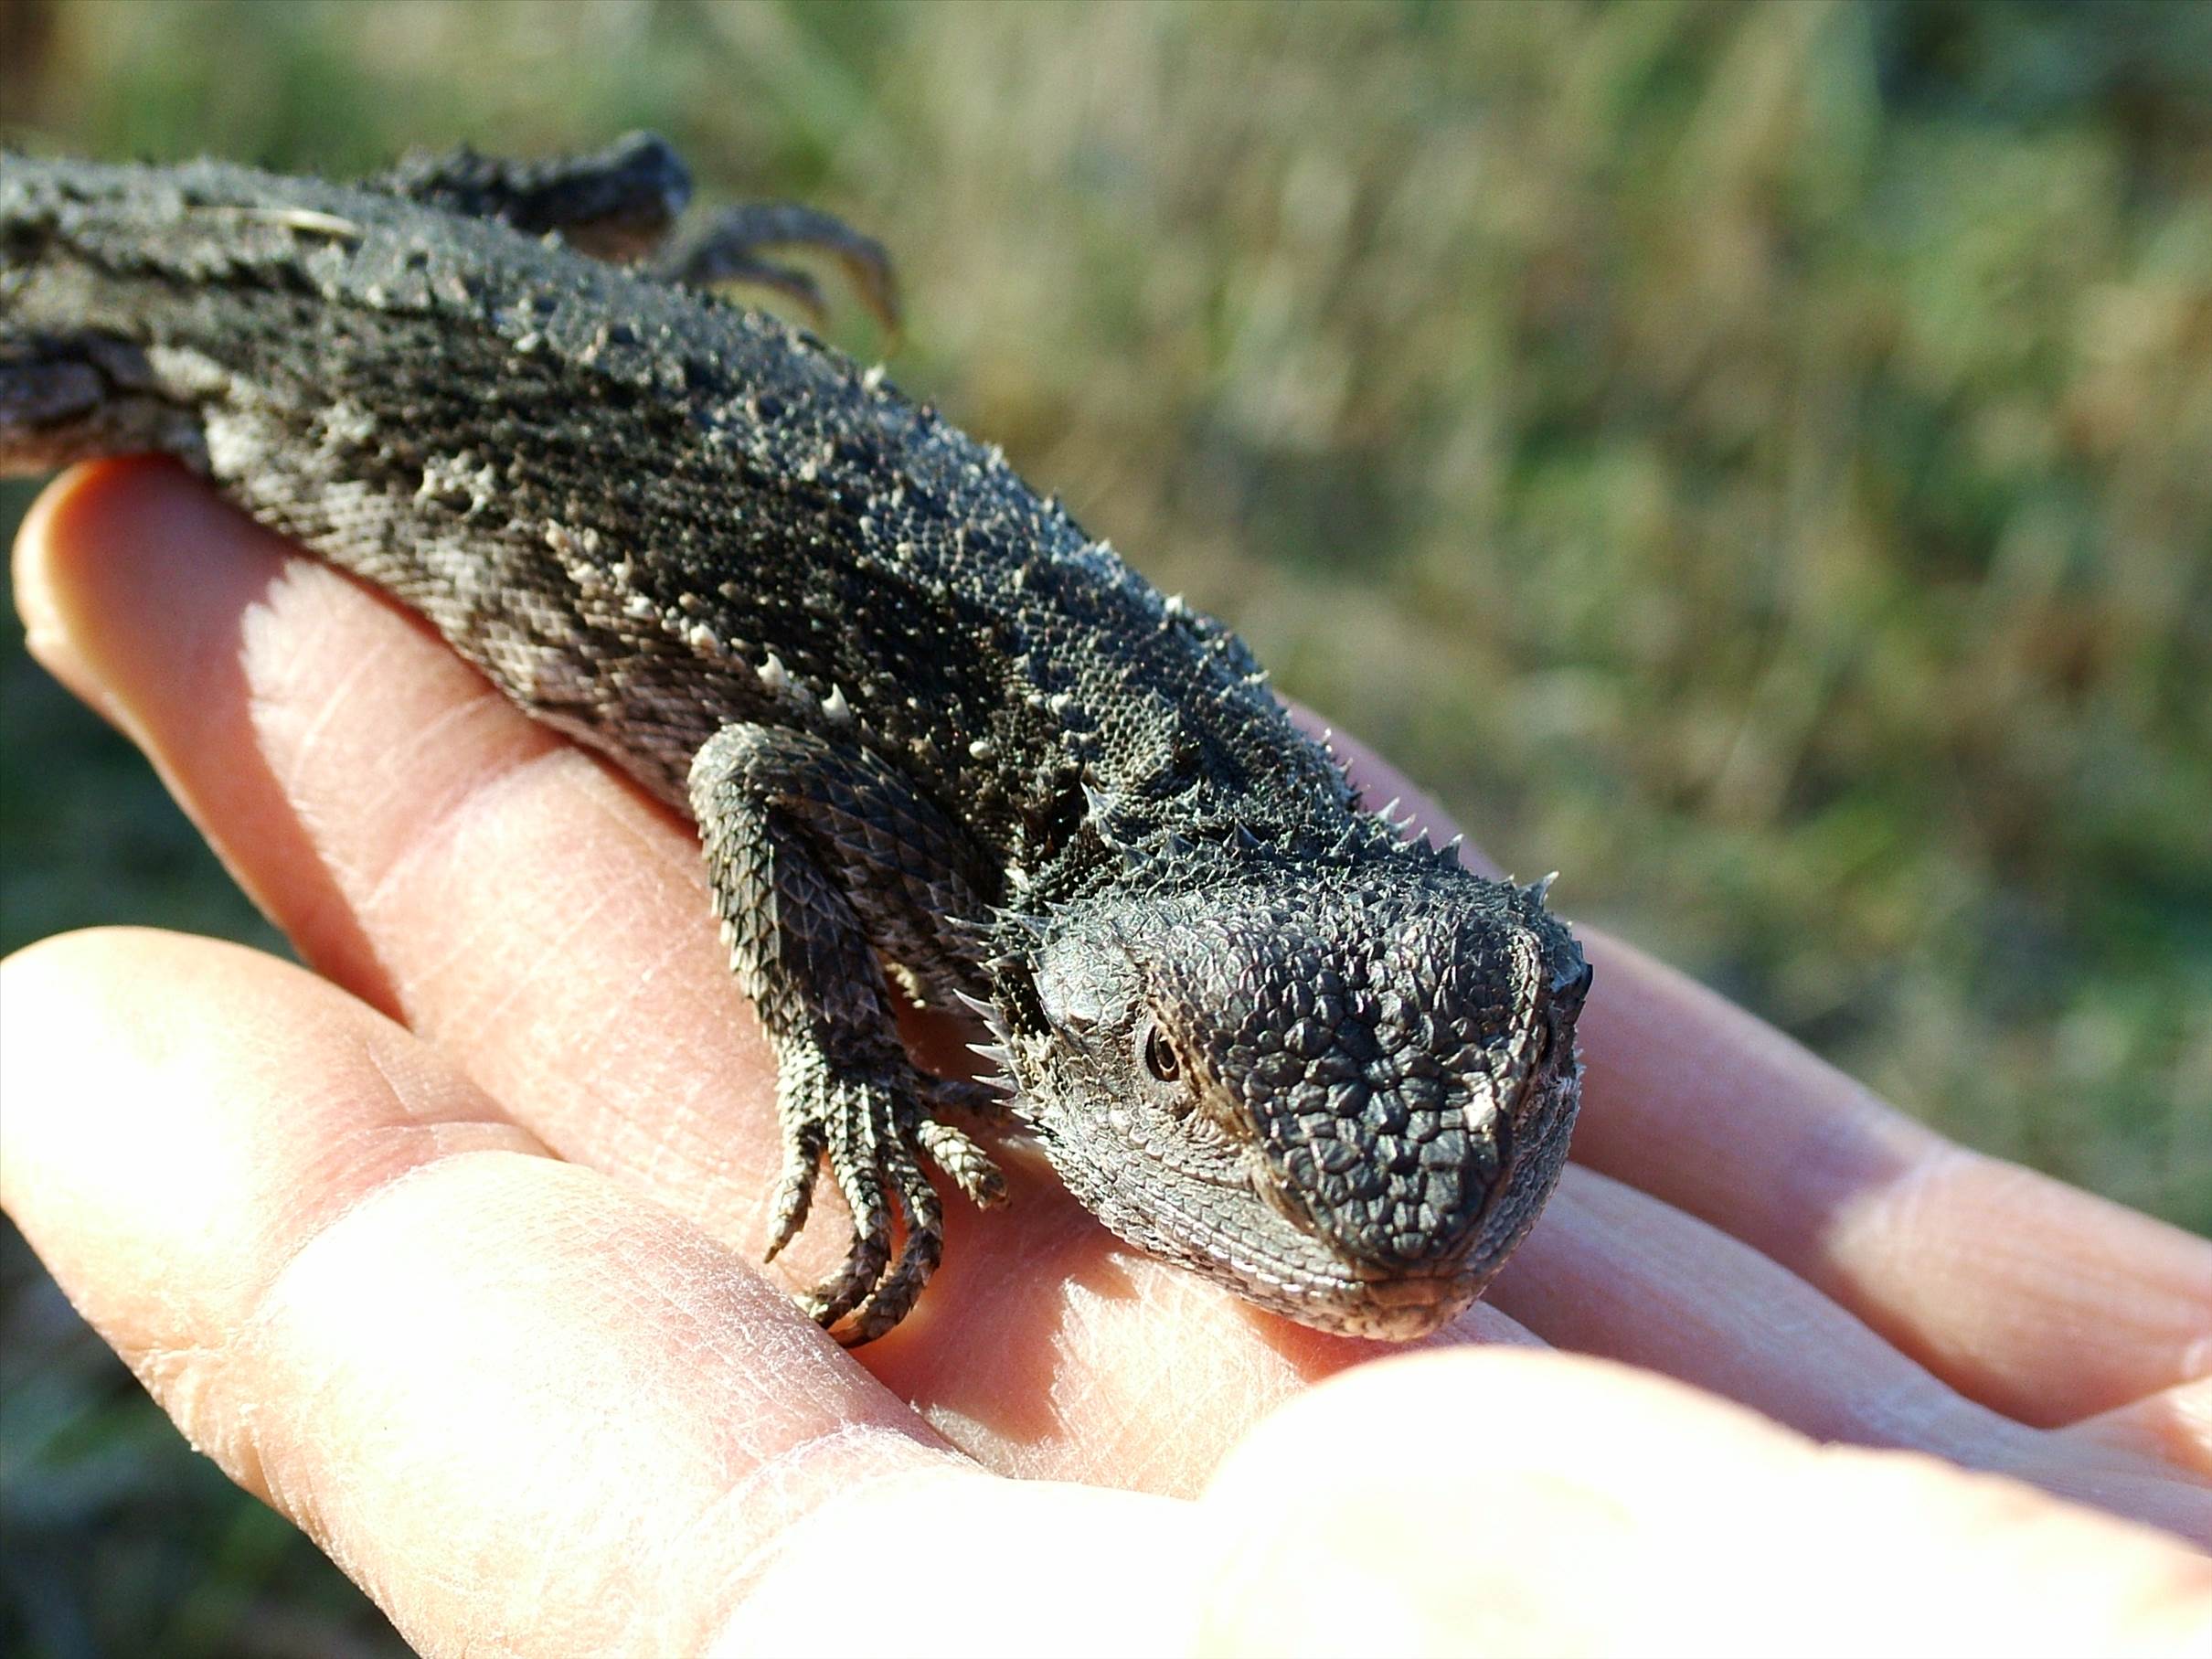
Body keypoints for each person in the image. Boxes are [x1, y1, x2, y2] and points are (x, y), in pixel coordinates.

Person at [5, 460, 2207, 1655]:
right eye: (1201, 1112)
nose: (1399, 1246)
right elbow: (766, 767)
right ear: (1105, 1022)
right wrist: (841, 1058)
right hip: (303, 367)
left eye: (1526, 1071)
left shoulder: (1311, 914)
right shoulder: (1019, 893)